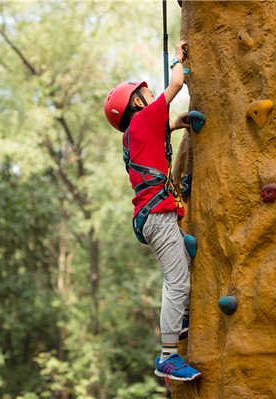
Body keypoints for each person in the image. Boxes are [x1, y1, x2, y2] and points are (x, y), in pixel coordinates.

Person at [104, 40, 201, 381]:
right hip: (158, 215)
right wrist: (178, 58)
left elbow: (154, 142)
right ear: (135, 103)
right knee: (176, 282)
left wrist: (174, 125)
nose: (148, 95)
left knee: (181, 268)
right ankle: (168, 357)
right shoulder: (143, 119)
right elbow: (176, 85)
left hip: (155, 214)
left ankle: (183, 318)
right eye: (142, 94)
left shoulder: (134, 132)